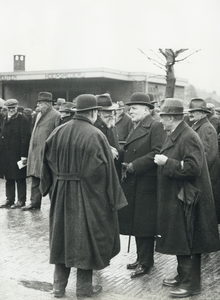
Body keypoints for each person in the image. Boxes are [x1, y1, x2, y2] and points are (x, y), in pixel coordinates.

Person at [39, 94, 127, 299]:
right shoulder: (95, 135)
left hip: (61, 194)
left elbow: (45, 161)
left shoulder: (58, 131)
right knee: (85, 240)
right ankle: (83, 290)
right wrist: (111, 199)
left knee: (61, 238)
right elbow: (104, 171)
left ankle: (58, 288)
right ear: (93, 112)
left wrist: (52, 186)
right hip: (87, 196)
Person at [154, 98, 220, 298]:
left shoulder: (187, 136)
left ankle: (191, 284)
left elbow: (193, 167)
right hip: (180, 197)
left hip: (187, 199)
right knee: (180, 238)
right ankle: (183, 276)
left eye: (163, 118)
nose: (161, 122)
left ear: (172, 118)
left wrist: (168, 163)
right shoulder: (178, 132)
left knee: (189, 239)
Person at [118, 92, 166, 279]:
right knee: (138, 223)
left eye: (134, 108)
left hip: (146, 182)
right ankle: (141, 259)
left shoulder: (155, 126)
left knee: (145, 225)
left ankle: (146, 262)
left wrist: (134, 166)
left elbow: (158, 152)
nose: (131, 110)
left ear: (147, 110)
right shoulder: (139, 125)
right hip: (136, 182)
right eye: (130, 108)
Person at [21, 92, 60, 211]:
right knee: (35, 178)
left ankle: (54, 204)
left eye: (40, 103)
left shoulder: (56, 115)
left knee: (50, 179)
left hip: (47, 154)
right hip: (35, 152)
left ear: (47, 104)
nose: (38, 105)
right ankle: (34, 202)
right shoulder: (38, 115)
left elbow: (57, 135)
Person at [188, 98, 220, 223]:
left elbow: (207, 156)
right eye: (190, 111)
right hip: (201, 177)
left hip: (206, 178)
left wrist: (193, 170)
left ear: (203, 113)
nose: (190, 114)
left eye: (194, 112)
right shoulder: (198, 126)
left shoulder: (207, 128)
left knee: (206, 217)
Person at [0, 99, 31, 208]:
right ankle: (10, 199)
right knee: (9, 177)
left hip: (17, 154)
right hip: (6, 154)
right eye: (9, 108)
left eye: (13, 108)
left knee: (20, 178)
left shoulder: (23, 120)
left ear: (17, 107)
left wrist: (24, 155)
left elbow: (25, 138)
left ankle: (21, 200)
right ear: (6, 109)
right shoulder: (4, 119)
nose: (11, 110)